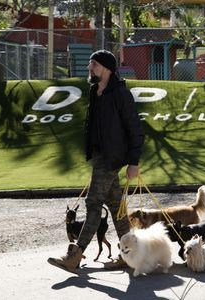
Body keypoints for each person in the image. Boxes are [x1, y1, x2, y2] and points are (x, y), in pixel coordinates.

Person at [47, 50, 145, 272]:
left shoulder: (120, 94)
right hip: (100, 156)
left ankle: (75, 255)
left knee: (93, 204)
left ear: (107, 69)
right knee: (116, 206)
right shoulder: (94, 91)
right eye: (90, 65)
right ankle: (132, 255)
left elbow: (136, 130)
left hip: (112, 158)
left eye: (94, 65)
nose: (90, 69)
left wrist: (134, 162)